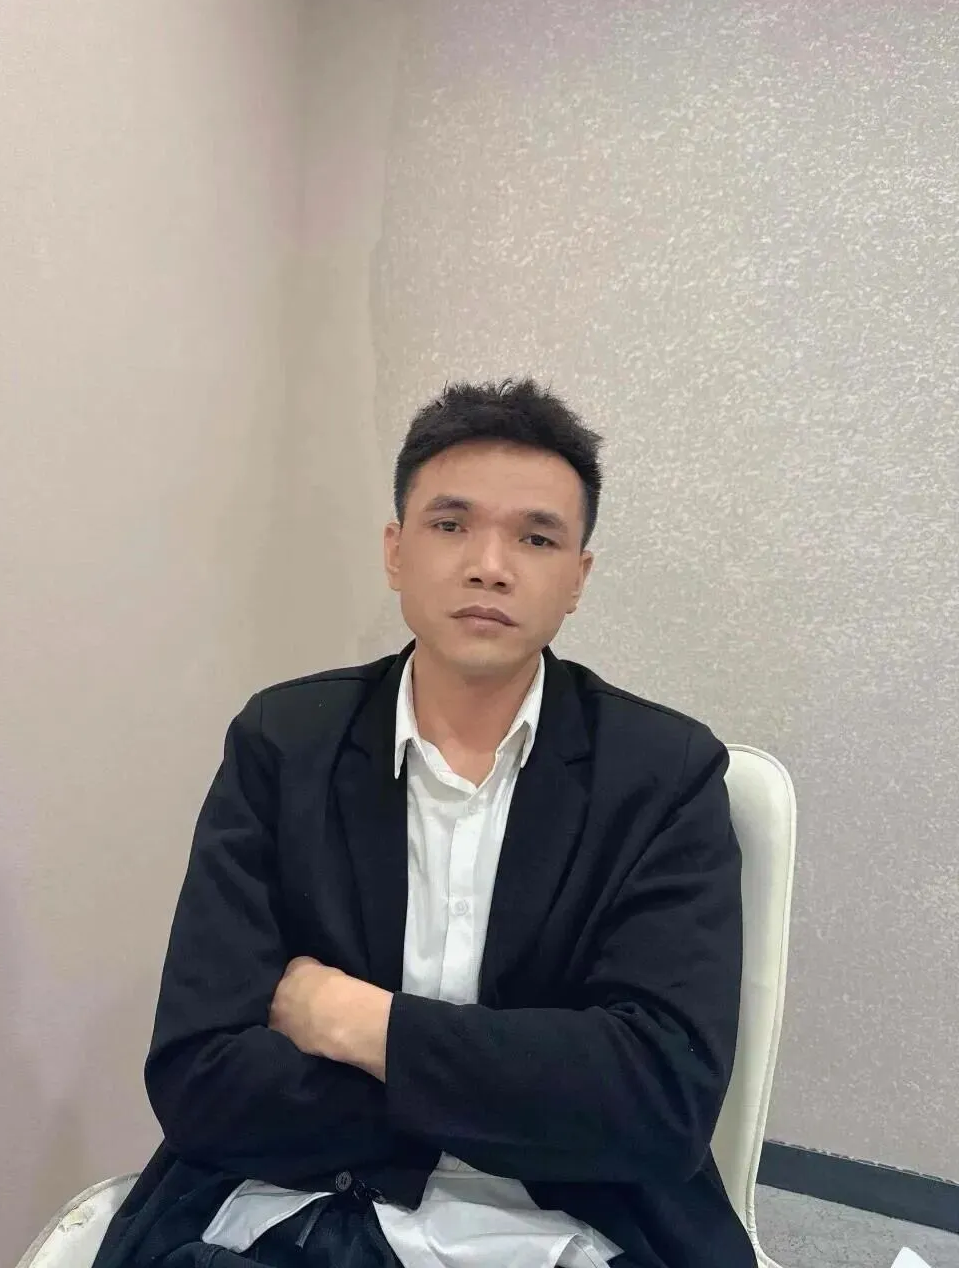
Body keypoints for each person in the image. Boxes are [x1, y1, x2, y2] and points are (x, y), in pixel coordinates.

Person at [93, 379, 756, 1268]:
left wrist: (359, 1024)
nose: (490, 564)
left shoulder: (665, 774)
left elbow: (661, 1101)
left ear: (577, 579)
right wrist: (526, 1091)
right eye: (451, 524)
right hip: (292, 1205)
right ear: (396, 552)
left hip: (562, 1226)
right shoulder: (283, 743)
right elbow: (199, 1075)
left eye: (536, 537)